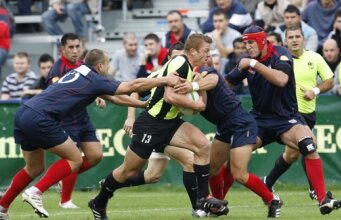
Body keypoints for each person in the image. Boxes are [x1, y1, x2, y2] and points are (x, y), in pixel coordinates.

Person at [0, 49, 181, 219]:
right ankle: (36, 191)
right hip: (41, 118)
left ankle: (2, 207)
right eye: (108, 64)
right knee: (75, 159)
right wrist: (164, 80)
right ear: (100, 66)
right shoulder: (95, 79)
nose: (109, 67)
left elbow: (115, 98)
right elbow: (132, 86)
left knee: (34, 168)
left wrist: (142, 105)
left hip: (24, 112)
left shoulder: (79, 71)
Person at [88, 34, 228, 220]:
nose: (208, 56)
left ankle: (202, 200)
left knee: (203, 146)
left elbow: (185, 103)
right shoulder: (181, 63)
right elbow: (170, 97)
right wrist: (197, 104)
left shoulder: (188, 67)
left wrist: (196, 89)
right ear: (193, 51)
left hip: (169, 123)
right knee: (128, 171)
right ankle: (99, 202)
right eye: (205, 51)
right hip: (152, 124)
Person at [225, 25, 341, 215]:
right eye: (245, 43)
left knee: (309, 145)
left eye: (251, 42)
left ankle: (323, 200)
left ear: (262, 41)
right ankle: (219, 201)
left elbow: (281, 80)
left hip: (286, 119)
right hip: (259, 120)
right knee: (233, 159)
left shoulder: (280, 54)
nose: (248, 47)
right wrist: (202, 81)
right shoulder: (246, 60)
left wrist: (253, 65)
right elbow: (227, 82)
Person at [174, 54, 283, 218]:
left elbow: (212, 81)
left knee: (239, 174)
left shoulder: (204, 71)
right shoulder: (185, 77)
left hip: (241, 124)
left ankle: (272, 199)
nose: (208, 58)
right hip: (224, 125)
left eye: (209, 54)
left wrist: (193, 86)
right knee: (211, 169)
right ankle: (218, 204)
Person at [120, 42, 222, 217]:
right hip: (154, 126)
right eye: (175, 58)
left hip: (170, 126)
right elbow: (135, 90)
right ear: (169, 59)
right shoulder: (160, 74)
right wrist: (130, 116)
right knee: (190, 160)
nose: (179, 61)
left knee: (153, 175)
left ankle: (113, 182)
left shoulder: (189, 75)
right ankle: (199, 207)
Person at [262, 25, 334, 201]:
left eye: (297, 36)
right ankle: (317, 192)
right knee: (310, 145)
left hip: (308, 113)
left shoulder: (315, 58)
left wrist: (314, 91)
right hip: (289, 113)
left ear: (303, 39)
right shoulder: (280, 59)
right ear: (285, 41)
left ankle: (267, 181)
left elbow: (330, 81)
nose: (294, 39)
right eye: (290, 37)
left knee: (292, 155)